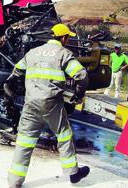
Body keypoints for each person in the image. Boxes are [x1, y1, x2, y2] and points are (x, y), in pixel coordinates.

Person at [6, 23, 90, 187]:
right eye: (68, 37)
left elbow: (16, 71)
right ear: (64, 38)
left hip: (30, 103)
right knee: (64, 135)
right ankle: (73, 173)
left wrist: (12, 87)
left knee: (24, 141)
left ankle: (14, 181)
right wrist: (78, 95)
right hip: (52, 103)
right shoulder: (63, 53)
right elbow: (82, 75)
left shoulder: (33, 52)